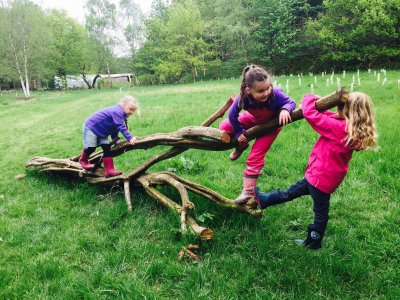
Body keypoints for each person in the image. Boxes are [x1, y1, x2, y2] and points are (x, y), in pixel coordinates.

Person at [254, 92, 378, 249]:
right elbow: (326, 115)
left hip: (320, 179)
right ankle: (265, 200)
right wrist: (323, 102)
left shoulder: (340, 128)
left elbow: (312, 115)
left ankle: (314, 241)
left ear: (345, 109)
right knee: (290, 193)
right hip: (320, 176)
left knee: (320, 212)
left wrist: (310, 97)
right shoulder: (347, 127)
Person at [219, 65, 296, 204]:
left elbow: (290, 102)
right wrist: (238, 131)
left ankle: (248, 192)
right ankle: (241, 145)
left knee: (255, 157)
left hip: (271, 127)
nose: (266, 92)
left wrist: (285, 109)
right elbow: (232, 113)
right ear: (248, 90)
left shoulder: (275, 94)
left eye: (268, 87)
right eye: (261, 91)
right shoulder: (244, 98)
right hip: (253, 119)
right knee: (224, 126)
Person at [78, 95, 139, 177]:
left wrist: (115, 138)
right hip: (92, 127)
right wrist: (130, 138)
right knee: (91, 147)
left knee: (107, 148)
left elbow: (115, 127)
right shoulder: (117, 111)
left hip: (101, 131)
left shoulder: (122, 114)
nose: (131, 112)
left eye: (133, 111)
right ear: (123, 105)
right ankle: (83, 160)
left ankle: (109, 170)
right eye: (130, 109)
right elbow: (121, 126)